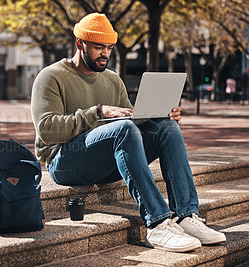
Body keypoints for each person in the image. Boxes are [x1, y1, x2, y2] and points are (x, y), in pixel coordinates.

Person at [31, 13, 226, 253]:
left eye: (109, 48)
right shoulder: (51, 77)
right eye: (98, 47)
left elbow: (131, 118)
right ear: (79, 44)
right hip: (65, 163)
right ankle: (156, 223)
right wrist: (97, 112)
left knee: (167, 129)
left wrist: (160, 114)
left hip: (106, 162)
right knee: (123, 129)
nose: (105, 54)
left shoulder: (113, 80)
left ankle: (186, 215)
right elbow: (47, 130)